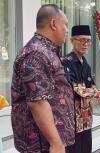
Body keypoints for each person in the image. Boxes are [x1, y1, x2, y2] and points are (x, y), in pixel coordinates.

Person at [11, 4, 74, 153]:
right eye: (65, 24)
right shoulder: (36, 54)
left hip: (48, 142)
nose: (66, 30)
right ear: (53, 24)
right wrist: (56, 143)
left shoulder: (46, 51)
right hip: (41, 144)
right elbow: (38, 102)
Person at [61, 25, 100, 153]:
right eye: (81, 40)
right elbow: (78, 89)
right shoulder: (65, 62)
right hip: (71, 118)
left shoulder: (86, 64)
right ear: (72, 40)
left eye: (88, 40)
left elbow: (92, 87)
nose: (85, 44)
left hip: (86, 117)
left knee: (86, 148)